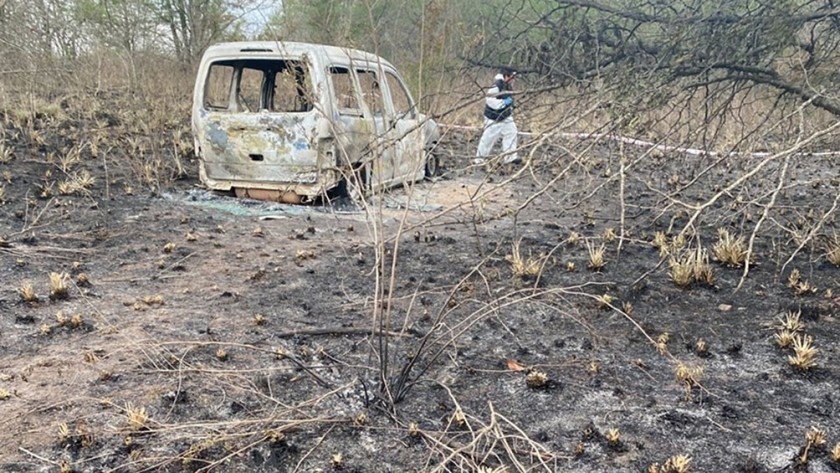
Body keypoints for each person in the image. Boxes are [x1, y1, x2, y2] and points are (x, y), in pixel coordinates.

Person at [474, 66, 521, 166]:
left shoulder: (507, 85)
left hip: (505, 117)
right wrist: (504, 103)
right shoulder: (496, 86)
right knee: (488, 139)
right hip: (493, 118)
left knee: (511, 132)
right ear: (507, 76)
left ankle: (510, 157)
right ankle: (479, 160)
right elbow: (490, 100)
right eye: (512, 78)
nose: (514, 80)